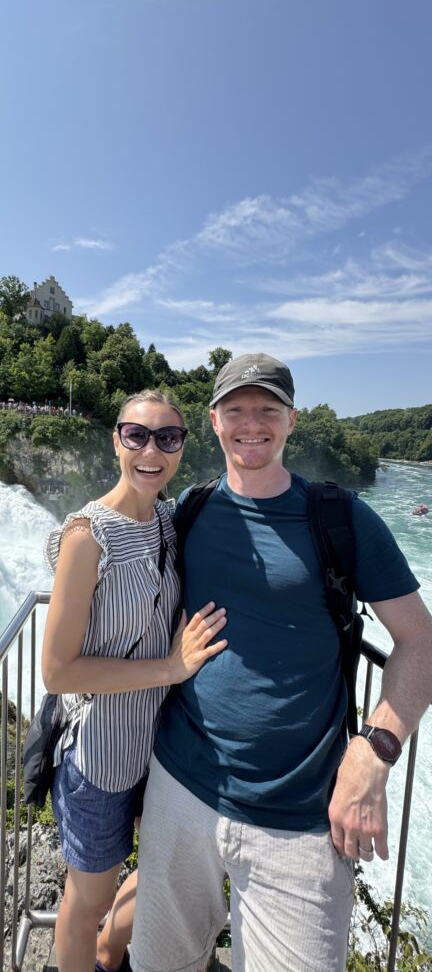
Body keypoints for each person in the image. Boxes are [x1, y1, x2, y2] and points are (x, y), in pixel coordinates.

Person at [130, 353, 432, 972]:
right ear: (213, 421)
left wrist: (374, 752)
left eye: (268, 409)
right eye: (236, 409)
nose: (252, 423)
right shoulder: (189, 507)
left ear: (291, 420)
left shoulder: (341, 518)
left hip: (301, 816)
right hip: (181, 784)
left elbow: (422, 642)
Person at [41, 389, 228, 972]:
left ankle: (110, 952)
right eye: (137, 435)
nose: (152, 450)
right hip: (100, 757)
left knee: (167, 870)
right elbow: (56, 670)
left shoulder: (169, 524)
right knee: (88, 899)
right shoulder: (85, 536)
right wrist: (171, 668)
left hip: (163, 749)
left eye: (168, 438)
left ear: (182, 449)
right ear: (116, 440)